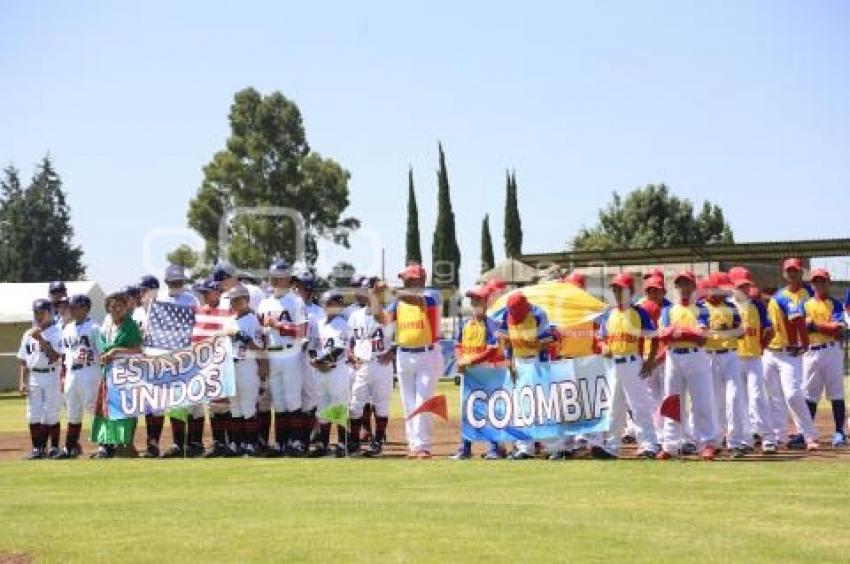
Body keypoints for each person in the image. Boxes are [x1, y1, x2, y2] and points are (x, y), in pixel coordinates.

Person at [657, 271, 719, 460]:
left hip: (695, 356)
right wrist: (687, 332)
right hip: (674, 356)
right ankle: (670, 444)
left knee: (701, 401)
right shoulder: (668, 310)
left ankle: (707, 443)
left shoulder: (702, 308)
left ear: (693, 287)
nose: (683, 288)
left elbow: (701, 338)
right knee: (671, 401)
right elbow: (663, 336)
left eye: (687, 284)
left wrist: (677, 331)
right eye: (680, 284)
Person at [595, 273, 659, 459]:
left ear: (630, 291)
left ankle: (649, 445)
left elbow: (654, 338)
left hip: (632, 362)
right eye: (614, 289)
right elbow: (600, 339)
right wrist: (604, 346)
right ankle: (612, 446)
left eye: (620, 289)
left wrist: (649, 361)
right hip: (614, 365)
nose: (616, 292)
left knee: (639, 406)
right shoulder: (609, 314)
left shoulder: (639, 312)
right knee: (614, 407)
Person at [385, 264, 444, 459]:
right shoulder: (399, 301)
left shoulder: (432, 295)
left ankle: (423, 446)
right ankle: (414, 444)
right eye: (404, 279)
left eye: (409, 279)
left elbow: (417, 301)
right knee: (408, 403)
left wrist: (392, 291)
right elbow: (383, 319)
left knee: (423, 401)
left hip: (427, 354)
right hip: (403, 354)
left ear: (420, 279)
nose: (405, 282)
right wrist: (374, 299)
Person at [763, 258, 819, 451]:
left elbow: (811, 320)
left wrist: (804, 342)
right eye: (789, 271)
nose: (792, 274)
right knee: (774, 396)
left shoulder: (810, 293)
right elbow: (770, 325)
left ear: (801, 272)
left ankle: (809, 434)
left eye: (795, 270)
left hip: (791, 352)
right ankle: (780, 436)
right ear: (784, 273)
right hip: (771, 352)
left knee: (793, 393)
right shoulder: (777, 296)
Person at [494, 291, 553, 460]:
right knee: (521, 405)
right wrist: (508, 361)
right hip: (518, 362)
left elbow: (548, 340)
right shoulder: (507, 314)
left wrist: (533, 344)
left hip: (536, 361)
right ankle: (525, 447)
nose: (515, 316)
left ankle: (552, 447)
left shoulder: (538, 314)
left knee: (542, 403)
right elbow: (505, 339)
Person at [257, 259, 307, 456]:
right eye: (274, 277)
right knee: (278, 401)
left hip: (290, 353)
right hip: (271, 353)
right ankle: (280, 443)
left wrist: (279, 325)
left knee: (293, 399)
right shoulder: (264, 302)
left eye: (281, 278)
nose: (276, 281)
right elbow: (260, 333)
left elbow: (303, 331)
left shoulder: (295, 300)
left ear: (288, 279)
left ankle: (295, 442)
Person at [547, 271, 597, 459]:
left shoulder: (592, 310)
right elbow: (553, 338)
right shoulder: (559, 312)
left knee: (588, 405)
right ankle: (565, 446)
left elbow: (599, 336)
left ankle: (591, 443)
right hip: (565, 361)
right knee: (565, 406)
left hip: (587, 361)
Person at [451, 285, 503, 460]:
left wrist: (469, 361)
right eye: (472, 300)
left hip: (487, 372)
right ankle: (465, 447)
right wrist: (460, 360)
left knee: (490, 410)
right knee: (467, 410)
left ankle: (493, 448)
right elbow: (458, 345)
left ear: (486, 303)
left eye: (478, 300)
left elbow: (493, 350)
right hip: (469, 373)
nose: (474, 303)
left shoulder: (492, 324)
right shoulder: (466, 324)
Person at [729, 268, 777, 453]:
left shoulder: (757, 306)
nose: (744, 289)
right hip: (734, 358)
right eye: (740, 286)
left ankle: (768, 437)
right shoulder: (728, 306)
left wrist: (763, 346)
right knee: (739, 399)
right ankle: (746, 438)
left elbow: (770, 330)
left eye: (746, 286)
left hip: (754, 358)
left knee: (757, 396)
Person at [90, 291, 143, 459]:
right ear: (108, 308)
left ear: (126, 308)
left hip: (127, 373)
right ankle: (107, 446)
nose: (117, 309)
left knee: (126, 410)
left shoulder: (130, 325)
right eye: (113, 306)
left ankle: (126, 444)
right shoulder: (106, 327)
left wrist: (115, 350)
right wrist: (106, 355)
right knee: (107, 410)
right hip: (109, 373)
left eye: (120, 306)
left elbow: (137, 350)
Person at [701, 273, 747, 458]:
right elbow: (702, 332)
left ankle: (735, 442)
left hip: (730, 355)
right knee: (714, 401)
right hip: (708, 357)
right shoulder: (700, 307)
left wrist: (724, 330)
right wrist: (719, 331)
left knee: (734, 397)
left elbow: (742, 332)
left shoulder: (731, 307)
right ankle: (716, 441)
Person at [348, 278, 395, 456]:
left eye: (369, 290)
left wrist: (393, 352)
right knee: (355, 405)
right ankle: (353, 442)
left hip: (380, 364)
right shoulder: (354, 316)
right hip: (362, 364)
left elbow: (396, 338)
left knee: (381, 405)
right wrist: (351, 354)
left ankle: (378, 442)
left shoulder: (385, 313)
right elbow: (351, 341)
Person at [159, 265, 202, 457]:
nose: (177, 284)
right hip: (170, 357)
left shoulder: (191, 299)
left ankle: (196, 443)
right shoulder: (159, 299)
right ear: (167, 281)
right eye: (173, 281)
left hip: (190, 356)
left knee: (195, 401)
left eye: (180, 281)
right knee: (176, 402)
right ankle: (178, 443)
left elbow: (199, 326)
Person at [802, 268, 846, 447]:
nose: (819, 284)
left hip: (831, 351)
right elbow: (802, 327)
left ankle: (839, 432)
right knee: (809, 393)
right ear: (812, 284)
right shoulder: (805, 304)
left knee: (836, 393)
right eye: (815, 281)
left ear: (828, 282)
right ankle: (807, 432)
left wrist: (813, 324)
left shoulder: (836, 304)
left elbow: (838, 329)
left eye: (822, 280)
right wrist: (825, 326)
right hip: (811, 351)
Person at [309, 291, 354, 458]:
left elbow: (339, 349)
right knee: (323, 407)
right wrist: (314, 359)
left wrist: (322, 361)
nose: (327, 306)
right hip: (321, 371)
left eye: (331, 303)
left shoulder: (342, 324)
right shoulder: (319, 323)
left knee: (339, 405)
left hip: (337, 370)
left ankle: (343, 444)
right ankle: (323, 445)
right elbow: (312, 345)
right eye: (326, 303)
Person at [55, 295, 101, 459]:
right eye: (70, 307)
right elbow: (63, 355)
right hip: (71, 373)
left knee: (94, 407)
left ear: (85, 308)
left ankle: (105, 446)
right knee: (72, 410)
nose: (70, 309)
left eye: (74, 307)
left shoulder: (95, 327)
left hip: (90, 370)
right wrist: (63, 375)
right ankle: (70, 447)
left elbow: (103, 352)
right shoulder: (67, 328)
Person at [225, 284, 268, 456]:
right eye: (232, 300)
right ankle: (237, 443)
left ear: (247, 300)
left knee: (248, 405)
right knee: (235, 406)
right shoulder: (229, 320)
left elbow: (259, 347)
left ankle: (250, 444)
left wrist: (245, 338)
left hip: (247, 364)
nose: (234, 303)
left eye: (237, 299)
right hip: (230, 365)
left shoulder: (253, 320)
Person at [18, 299, 64, 460]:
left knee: (51, 412)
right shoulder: (28, 334)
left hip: (52, 374)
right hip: (34, 376)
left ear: (50, 313)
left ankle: (54, 447)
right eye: (36, 312)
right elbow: (23, 359)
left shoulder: (57, 332)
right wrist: (22, 381)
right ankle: (37, 448)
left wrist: (41, 340)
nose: (38, 316)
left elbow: (56, 357)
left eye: (42, 312)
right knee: (33, 414)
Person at [293, 271, 325, 450]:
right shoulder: (290, 307)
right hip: (291, 358)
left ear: (309, 289)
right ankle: (298, 438)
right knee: (294, 398)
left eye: (300, 287)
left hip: (310, 358)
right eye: (295, 286)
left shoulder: (318, 312)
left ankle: (313, 434)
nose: (296, 289)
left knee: (311, 397)